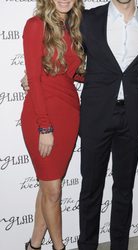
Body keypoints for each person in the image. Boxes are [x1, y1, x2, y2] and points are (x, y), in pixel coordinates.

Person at [77, 1, 138, 249]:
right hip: (96, 115)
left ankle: (119, 246)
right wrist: (37, 71)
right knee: (91, 187)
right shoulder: (87, 18)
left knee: (125, 188)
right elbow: (62, 49)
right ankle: (87, 245)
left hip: (132, 115)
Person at [21, 0, 84, 249]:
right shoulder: (35, 25)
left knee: (49, 188)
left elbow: (74, 73)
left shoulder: (74, 28)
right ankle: (60, 247)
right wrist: (44, 127)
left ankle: (34, 245)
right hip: (42, 115)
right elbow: (34, 79)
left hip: (69, 113)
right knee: (54, 191)